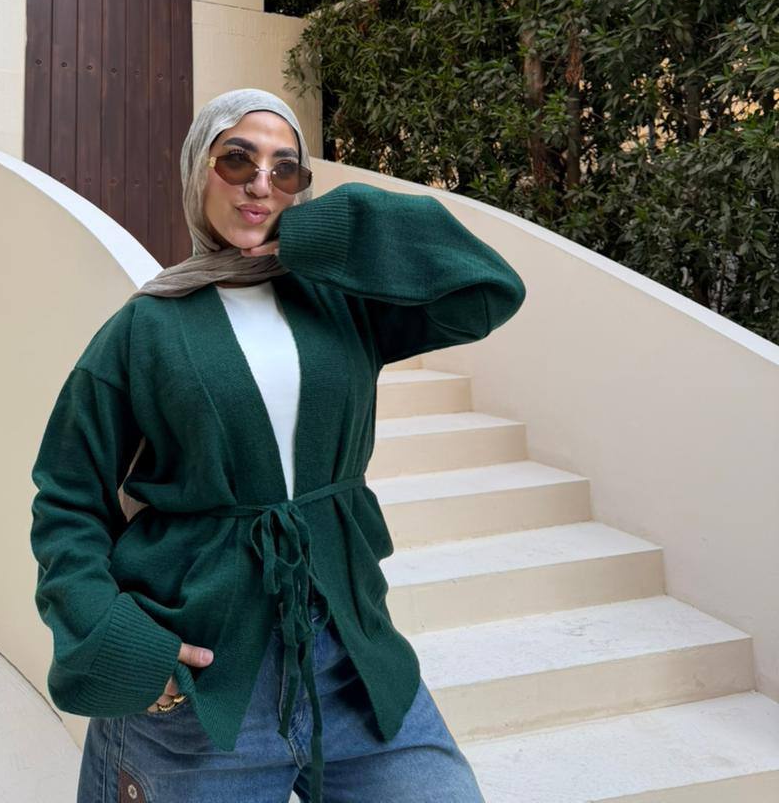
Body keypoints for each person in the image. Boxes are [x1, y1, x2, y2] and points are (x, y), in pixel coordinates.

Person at [30, 87, 527, 803]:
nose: (261, 183)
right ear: (198, 171)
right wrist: (120, 640)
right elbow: (67, 498)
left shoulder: (341, 304)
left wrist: (322, 231)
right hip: (204, 686)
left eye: (285, 168)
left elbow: (485, 289)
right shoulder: (144, 329)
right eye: (237, 160)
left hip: (350, 663)